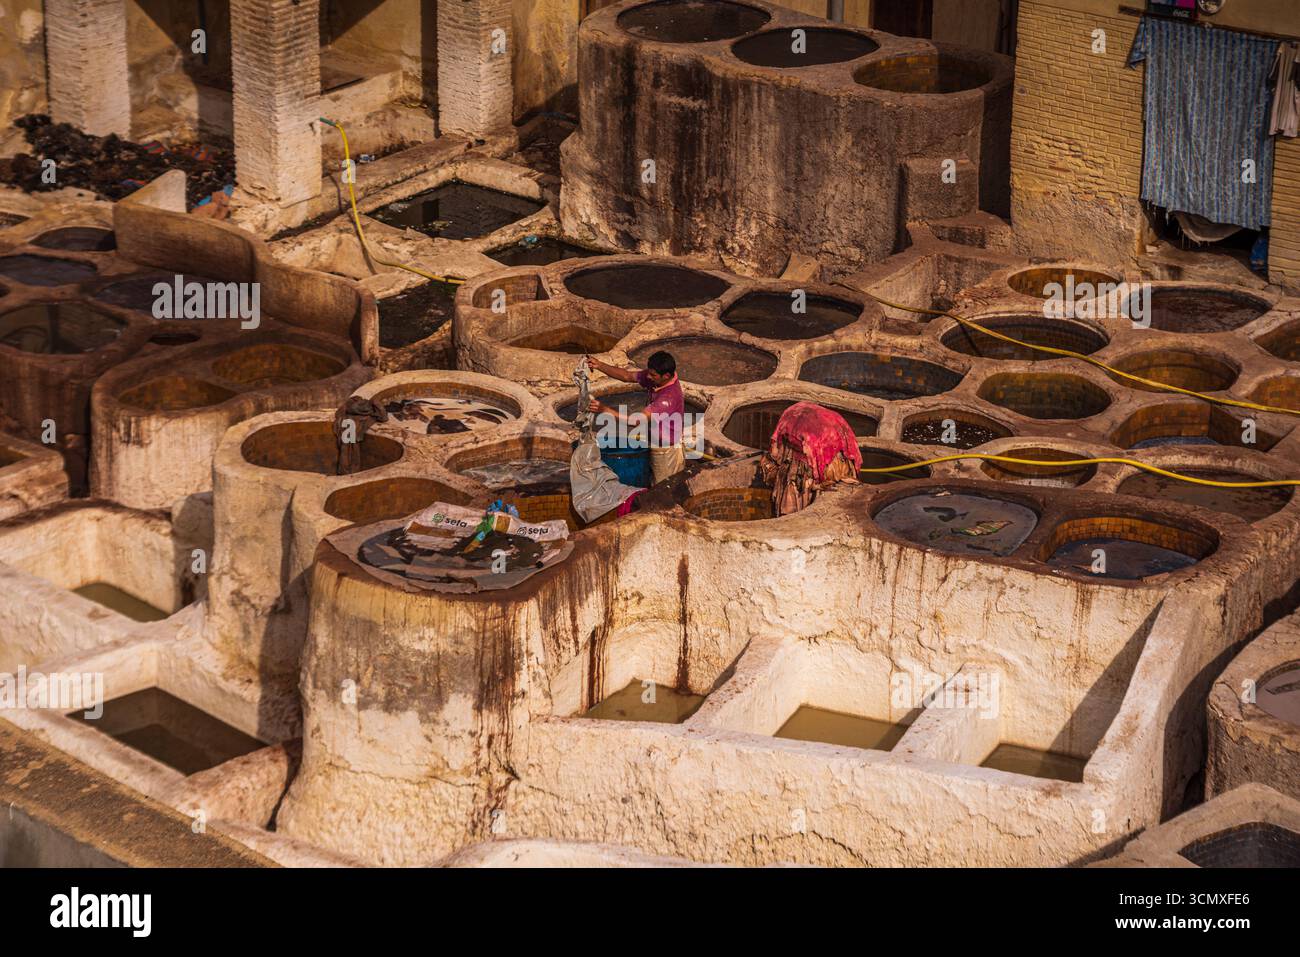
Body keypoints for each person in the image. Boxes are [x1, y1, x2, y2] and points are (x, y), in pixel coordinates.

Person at [585, 351, 686, 484]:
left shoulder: (667, 399)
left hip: (666, 450)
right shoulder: (659, 378)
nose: (648, 376)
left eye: (653, 375)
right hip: (654, 439)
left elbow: (636, 421)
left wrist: (604, 410)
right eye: (649, 372)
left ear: (666, 375)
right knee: (650, 478)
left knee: (664, 486)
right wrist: (599, 365)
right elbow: (627, 376)